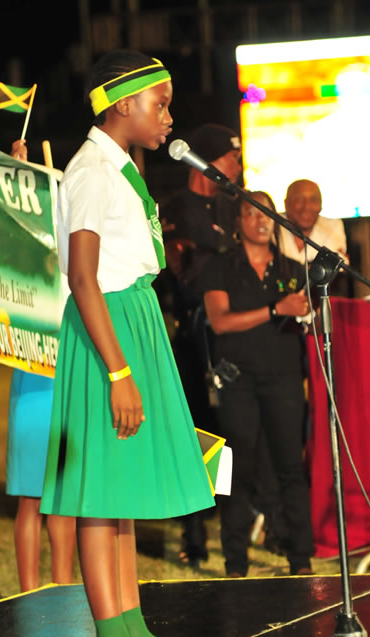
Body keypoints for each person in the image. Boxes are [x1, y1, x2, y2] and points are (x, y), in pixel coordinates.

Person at [40, 49, 215, 637]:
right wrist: (117, 372)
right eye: (159, 104)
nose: (169, 116)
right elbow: (82, 278)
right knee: (101, 492)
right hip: (106, 331)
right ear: (121, 104)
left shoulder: (119, 168)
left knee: (124, 494)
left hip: (132, 320)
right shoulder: (91, 170)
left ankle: (133, 628)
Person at [199, 191, 314, 577]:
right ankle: (236, 564)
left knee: (290, 467)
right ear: (238, 222)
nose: (261, 220)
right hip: (238, 380)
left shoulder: (293, 269)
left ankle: (301, 559)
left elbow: (308, 316)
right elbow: (220, 322)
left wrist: (306, 310)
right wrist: (275, 309)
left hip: (284, 378)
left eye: (266, 213)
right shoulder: (220, 267)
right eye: (251, 212)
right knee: (238, 469)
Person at [156, 124, 241, 565]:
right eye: (231, 158)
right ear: (207, 160)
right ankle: (194, 530)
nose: (237, 166)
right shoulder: (173, 208)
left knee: (233, 431)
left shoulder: (234, 206)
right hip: (189, 338)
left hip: (232, 337)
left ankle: (233, 526)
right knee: (196, 432)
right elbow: (180, 270)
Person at [5, 139, 76, 592]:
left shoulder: (80, 254)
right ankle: (29, 594)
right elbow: (7, 221)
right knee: (31, 496)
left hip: (70, 379)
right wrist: (17, 176)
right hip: (33, 379)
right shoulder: (24, 256)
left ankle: (62, 590)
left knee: (64, 498)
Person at [279, 179, 347, 265]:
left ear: (321, 204)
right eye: (299, 199)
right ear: (286, 203)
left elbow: (337, 267)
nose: (307, 206)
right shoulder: (272, 223)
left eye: (313, 200)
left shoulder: (333, 226)